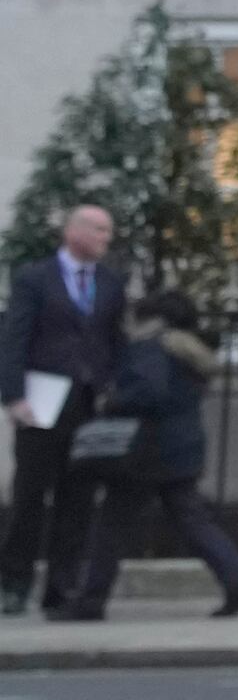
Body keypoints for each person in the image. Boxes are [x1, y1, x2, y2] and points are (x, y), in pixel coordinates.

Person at [48, 289, 238, 622]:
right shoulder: (187, 350)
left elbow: (149, 391)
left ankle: (91, 600)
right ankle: (237, 580)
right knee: (193, 521)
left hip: (144, 450)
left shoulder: (150, 348)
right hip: (179, 446)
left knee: (111, 526)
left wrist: (111, 401)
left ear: (152, 320)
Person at [1, 202, 128, 618]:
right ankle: (14, 583)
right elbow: (15, 337)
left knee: (77, 500)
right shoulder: (35, 278)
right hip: (41, 401)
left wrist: (115, 391)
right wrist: (13, 396)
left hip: (88, 403)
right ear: (74, 232)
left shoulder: (110, 282)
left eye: (108, 232)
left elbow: (114, 341)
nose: (106, 239)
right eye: (100, 231)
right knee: (29, 498)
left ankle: (60, 587)